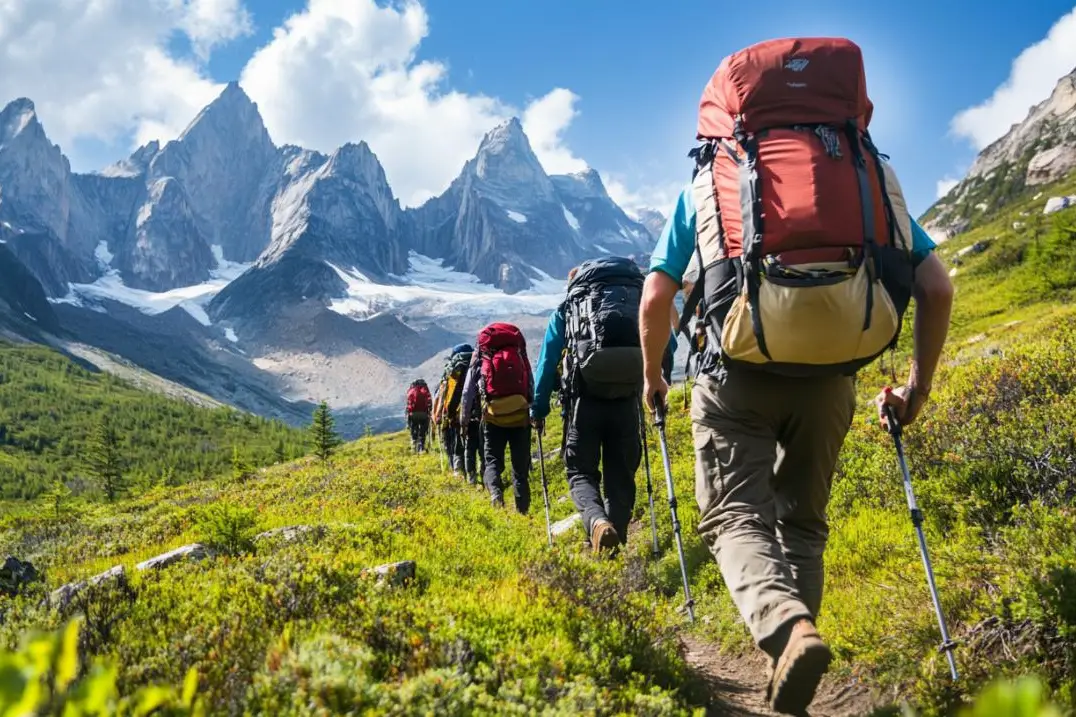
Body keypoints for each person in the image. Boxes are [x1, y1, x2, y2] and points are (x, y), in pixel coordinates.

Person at [638, 37, 954, 715]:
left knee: (733, 514)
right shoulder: (865, 168)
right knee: (804, 524)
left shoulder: (712, 178)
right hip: (833, 375)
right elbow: (937, 285)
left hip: (738, 374)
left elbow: (655, 299)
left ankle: (787, 631)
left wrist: (653, 378)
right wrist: (916, 391)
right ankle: (796, 661)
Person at [531, 259, 651, 554]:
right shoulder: (635, 299)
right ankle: (614, 541)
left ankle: (597, 523)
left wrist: (539, 407)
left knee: (581, 471)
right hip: (626, 399)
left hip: (584, 401)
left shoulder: (570, 307)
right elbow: (667, 343)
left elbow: (547, 361)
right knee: (621, 474)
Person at [461, 322, 534, 513]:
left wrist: (464, 418)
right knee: (520, 467)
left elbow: (468, 390)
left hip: (493, 415)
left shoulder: (483, 352)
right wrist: (533, 409)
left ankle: (495, 495)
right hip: (520, 413)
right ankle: (523, 510)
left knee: (492, 460)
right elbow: (529, 377)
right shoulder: (518, 349)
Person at [433, 344, 473, 477]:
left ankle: (457, 471)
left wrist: (441, 414)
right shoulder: (476, 365)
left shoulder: (453, 369)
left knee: (455, 443)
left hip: (454, 413)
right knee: (473, 444)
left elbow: (443, 394)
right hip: (476, 412)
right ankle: (474, 474)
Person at [405, 379, 432, 452]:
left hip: (413, 413)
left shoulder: (411, 390)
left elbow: (408, 404)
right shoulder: (425, 389)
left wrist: (407, 416)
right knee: (423, 431)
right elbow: (430, 403)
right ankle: (421, 447)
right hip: (424, 413)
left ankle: (414, 447)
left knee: (414, 429)